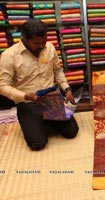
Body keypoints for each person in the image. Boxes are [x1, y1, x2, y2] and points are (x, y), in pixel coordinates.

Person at [0, 19, 79, 151]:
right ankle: (38, 122)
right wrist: (26, 95)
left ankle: (46, 121)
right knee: (37, 144)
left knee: (72, 131)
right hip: (28, 104)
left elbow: (57, 71)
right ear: (24, 38)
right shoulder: (9, 56)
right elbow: (2, 86)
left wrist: (67, 89)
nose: (42, 46)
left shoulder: (50, 47)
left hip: (51, 100)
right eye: (37, 43)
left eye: (44, 41)